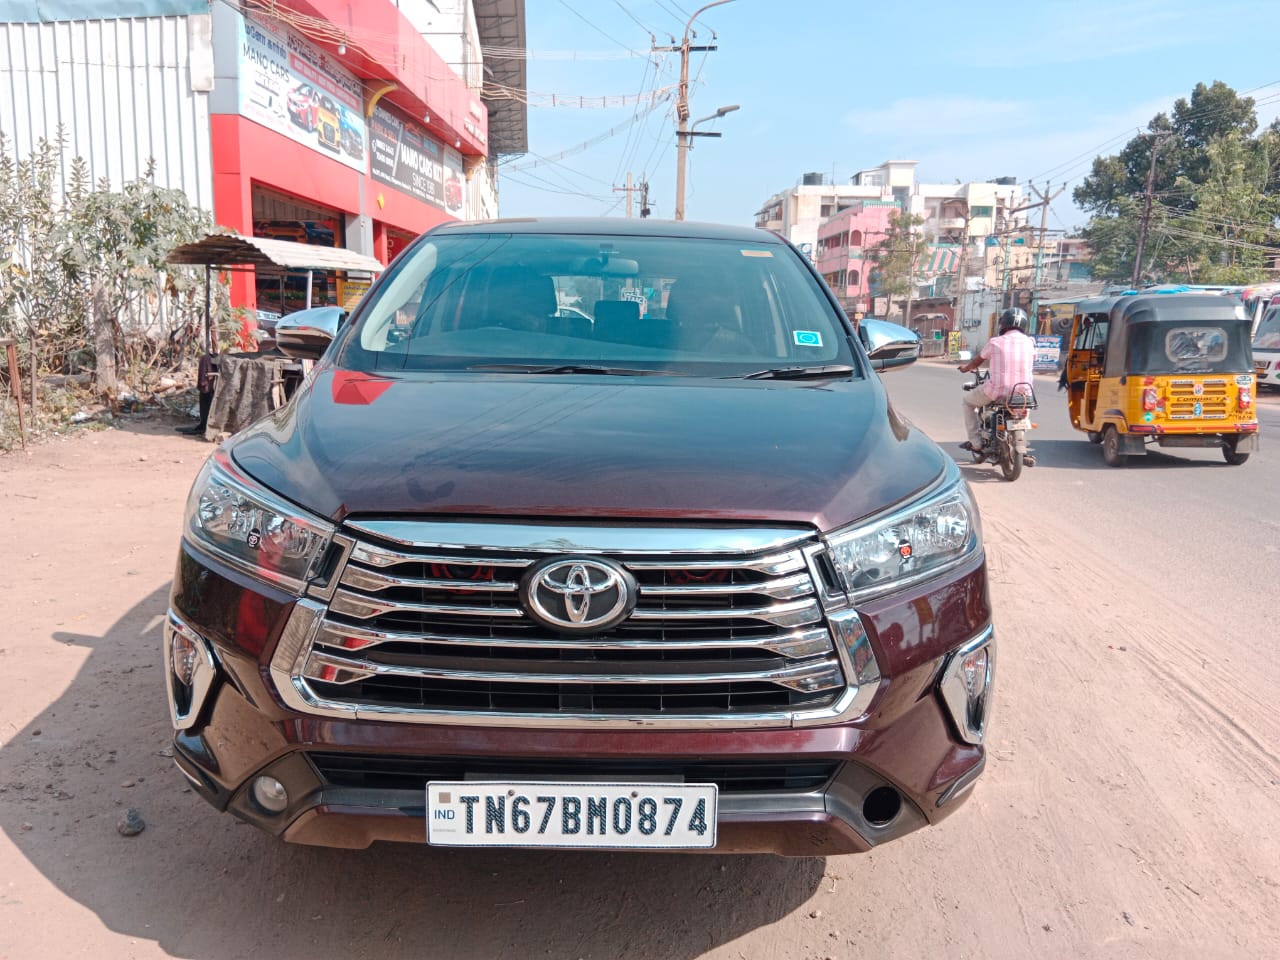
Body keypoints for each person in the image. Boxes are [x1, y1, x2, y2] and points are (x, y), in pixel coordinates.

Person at [958, 307, 1034, 459]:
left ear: (1003, 323)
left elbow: (977, 361)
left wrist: (966, 369)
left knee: (967, 402)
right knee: (1023, 409)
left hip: (997, 391)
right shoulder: (1030, 342)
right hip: (1024, 393)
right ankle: (1021, 434)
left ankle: (976, 443)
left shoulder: (995, 342)